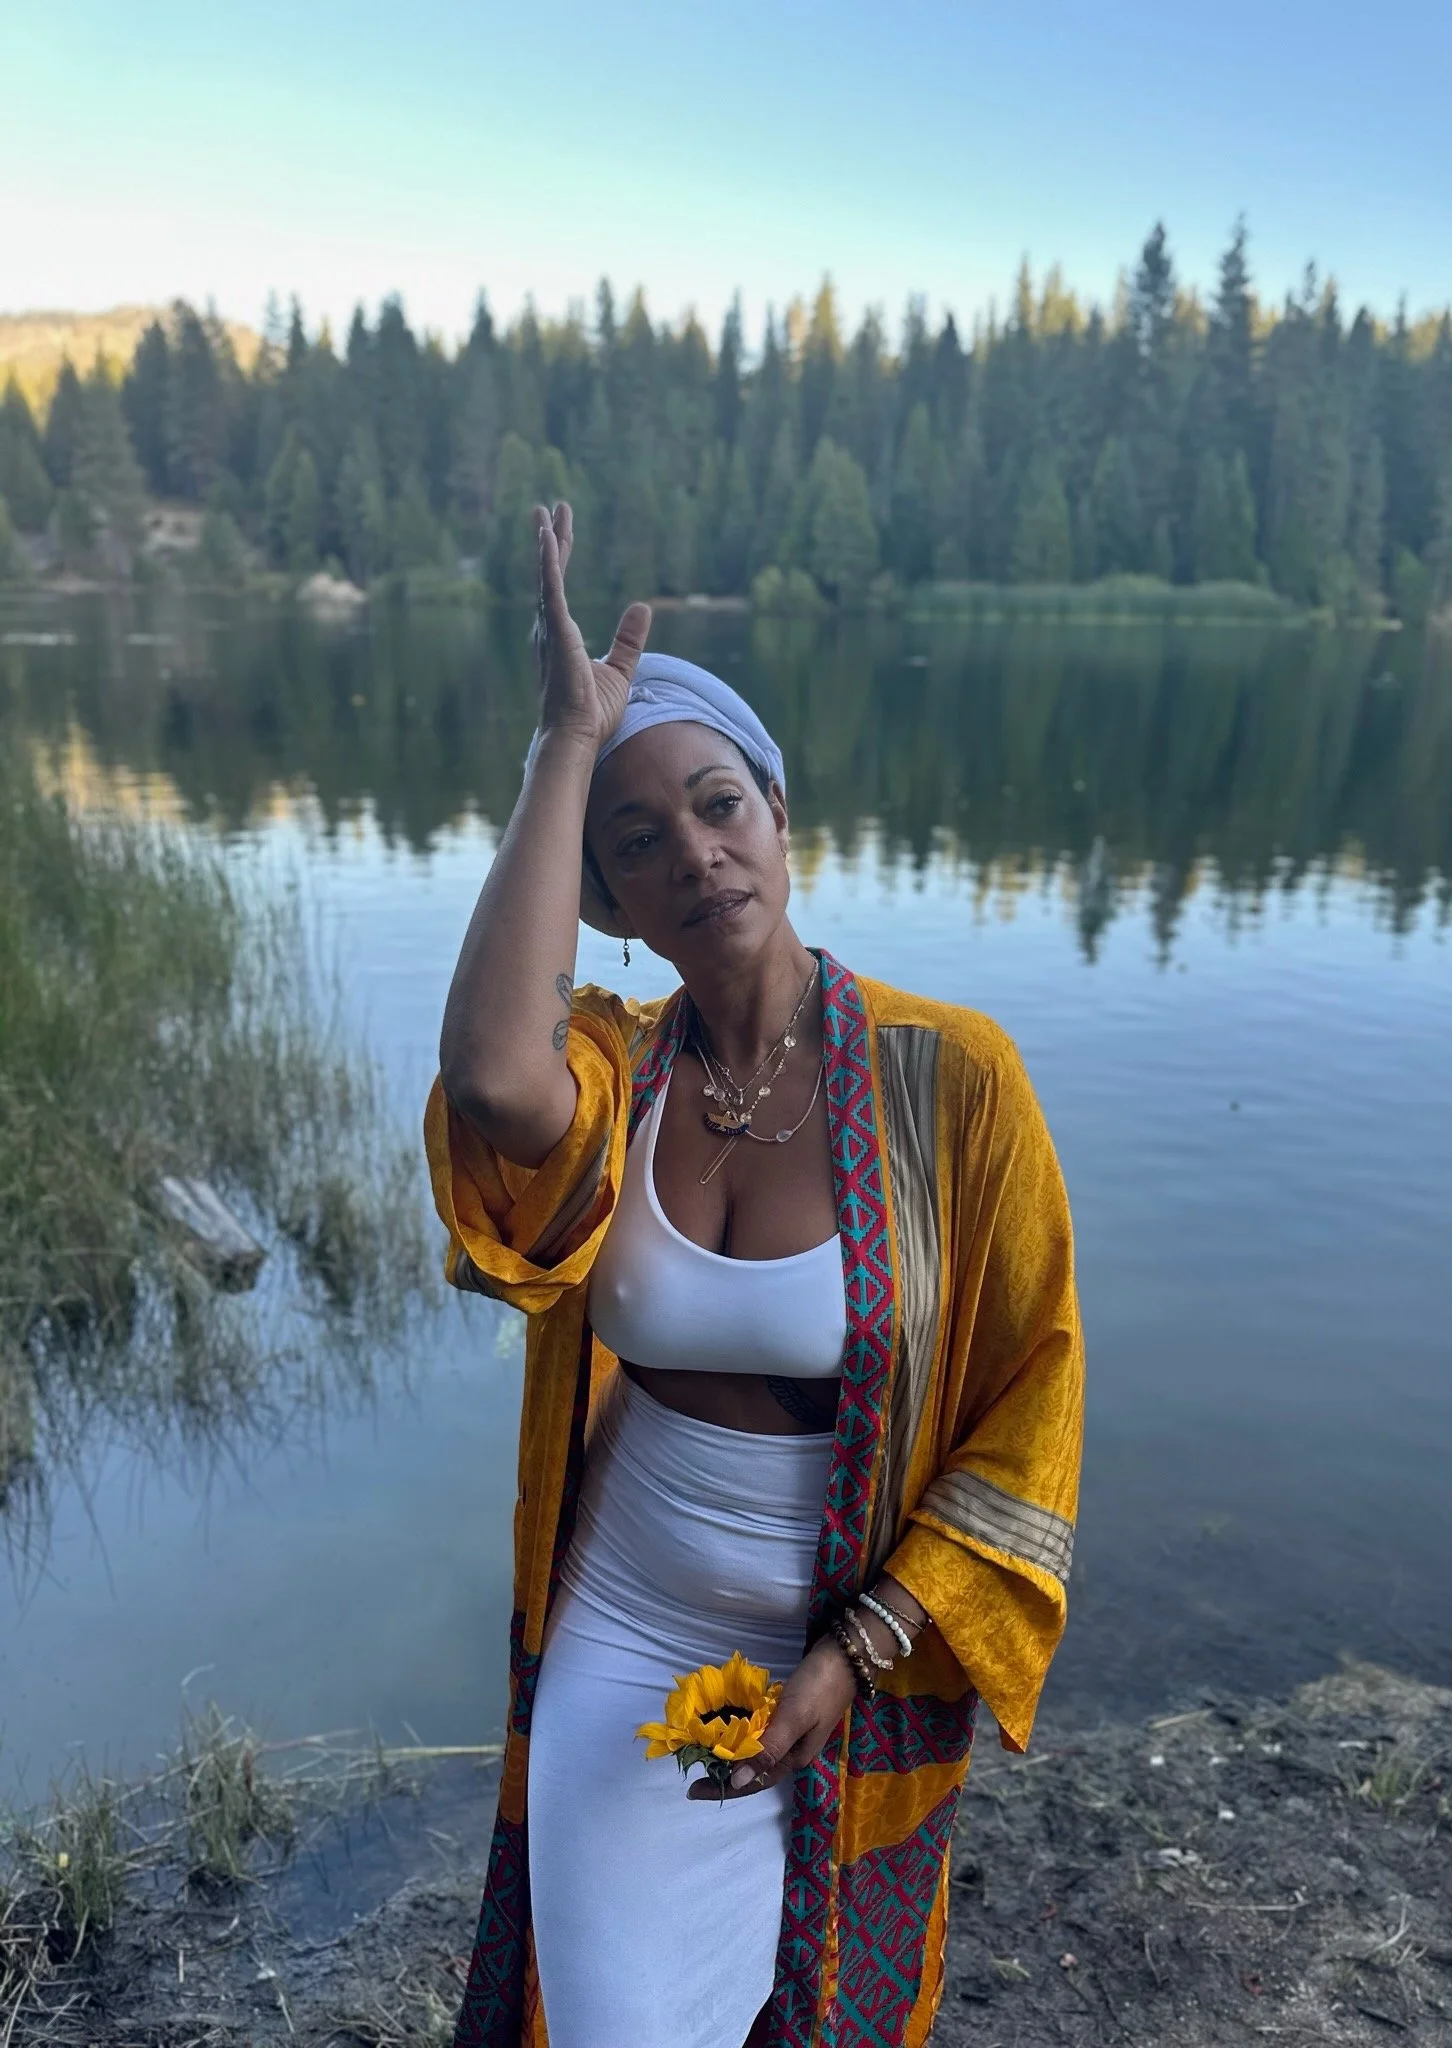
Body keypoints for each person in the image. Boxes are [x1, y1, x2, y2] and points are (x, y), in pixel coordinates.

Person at [426, 501, 1085, 2048]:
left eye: (720, 806)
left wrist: (858, 1653)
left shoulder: (954, 1083)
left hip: (838, 1645)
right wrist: (558, 753)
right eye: (637, 840)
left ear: (782, 816)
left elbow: (1028, 1405)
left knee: (815, 2010)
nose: (695, 855)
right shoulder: (615, 1072)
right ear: (608, 898)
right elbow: (489, 1085)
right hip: (623, 1625)